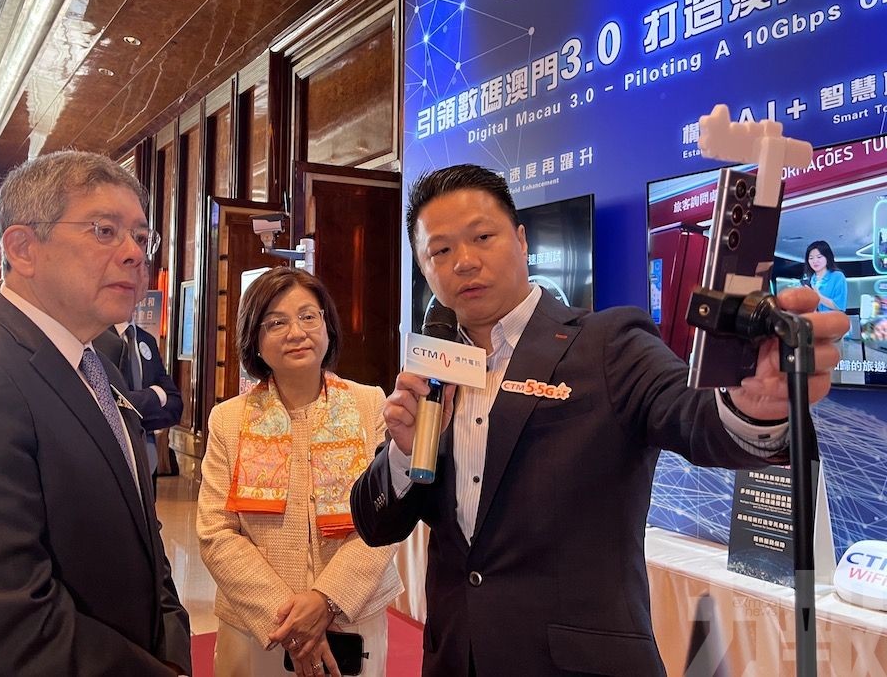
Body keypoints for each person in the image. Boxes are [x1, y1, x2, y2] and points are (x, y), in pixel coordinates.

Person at [350, 164, 849, 676]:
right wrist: (404, 452)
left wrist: (752, 406)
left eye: (482, 237)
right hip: (457, 661)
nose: (464, 262)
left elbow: (692, 416)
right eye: (440, 251)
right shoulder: (432, 370)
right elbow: (375, 523)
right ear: (423, 267)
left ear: (521, 240)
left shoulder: (608, 342)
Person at [0, 151, 191, 675]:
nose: (134, 254)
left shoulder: (98, 366)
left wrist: (172, 647)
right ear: (23, 248)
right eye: (104, 231)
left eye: (141, 237)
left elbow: (143, 540)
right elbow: (1, 626)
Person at [197, 267, 402, 677]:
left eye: (309, 316)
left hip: (351, 621)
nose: (297, 332)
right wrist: (290, 619)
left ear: (327, 326)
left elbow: (387, 518)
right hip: (259, 628)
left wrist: (326, 599)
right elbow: (216, 533)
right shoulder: (228, 420)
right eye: (276, 322)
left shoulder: (370, 405)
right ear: (254, 340)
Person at [95, 307, 183, 495]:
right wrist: (155, 396)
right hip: (113, 458)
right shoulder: (97, 338)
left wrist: (133, 411)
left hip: (147, 456)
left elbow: (175, 405)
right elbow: (108, 404)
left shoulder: (147, 340)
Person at [802, 239, 847, 312]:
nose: (815, 261)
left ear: (827, 257)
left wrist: (818, 297)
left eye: (819, 257)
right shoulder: (808, 280)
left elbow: (839, 306)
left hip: (833, 318)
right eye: (811, 258)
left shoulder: (838, 277)